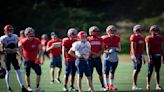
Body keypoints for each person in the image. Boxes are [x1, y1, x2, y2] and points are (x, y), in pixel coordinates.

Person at [0, 24, 28, 92]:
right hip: (7, 56)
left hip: (13, 56)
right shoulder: (3, 38)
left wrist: (17, 50)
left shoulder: (15, 36)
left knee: (18, 71)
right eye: (9, 30)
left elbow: (17, 46)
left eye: (11, 30)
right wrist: (9, 50)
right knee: (8, 72)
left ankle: (22, 87)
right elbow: (1, 49)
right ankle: (9, 87)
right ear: (5, 31)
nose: (10, 32)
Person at [19, 27, 43, 92]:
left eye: (33, 35)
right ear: (26, 35)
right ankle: (29, 87)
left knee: (39, 73)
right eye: (30, 35)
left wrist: (39, 57)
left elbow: (41, 49)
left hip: (35, 60)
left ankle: (37, 87)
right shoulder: (24, 41)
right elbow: (19, 49)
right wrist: (23, 57)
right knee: (27, 74)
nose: (32, 36)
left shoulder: (37, 40)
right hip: (27, 60)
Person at [102, 25, 121, 90]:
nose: (112, 32)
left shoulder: (117, 38)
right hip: (107, 57)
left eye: (114, 30)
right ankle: (106, 85)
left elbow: (119, 48)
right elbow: (102, 50)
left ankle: (111, 85)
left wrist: (117, 49)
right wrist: (107, 51)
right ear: (107, 31)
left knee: (112, 72)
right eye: (111, 31)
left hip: (114, 57)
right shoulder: (104, 38)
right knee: (106, 72)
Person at [87, 26, 106, 91]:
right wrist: (95, 54)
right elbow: (87, 49)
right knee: (90, 74)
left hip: (98, 59)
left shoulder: (101, 39)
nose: (96, 32)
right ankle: (90, 87)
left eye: (97, 31)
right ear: (91, 32)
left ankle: (103, 86)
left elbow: (102, 49)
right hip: (90, 59)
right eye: (94, 31)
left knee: (100, 73)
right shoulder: (88, 39)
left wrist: (98, 54)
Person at [145, 25, 164, 90]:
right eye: (154, 30)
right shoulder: (148, 38)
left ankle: (157, 85)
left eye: (156, 30)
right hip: (152, 56)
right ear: (151, 31)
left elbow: (162, 48)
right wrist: (149, 56)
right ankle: (148, 84)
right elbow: (147, 48)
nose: (155, 31)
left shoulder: (160, 38)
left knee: (157, 71)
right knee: (150, 71)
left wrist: (163, 57)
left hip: (158, 56)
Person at [130, 25, 145, 90]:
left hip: (139, 55)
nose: (139, 31)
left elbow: (141, 48)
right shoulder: (134, 36)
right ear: (134, 30)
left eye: (140, 30)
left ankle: (135, 85)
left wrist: (143, 56)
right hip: (135, 55)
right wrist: (135, 57)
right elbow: (133, 47)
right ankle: (134, 85)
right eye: (137, 30)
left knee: (138, 70)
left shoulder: (141, 37)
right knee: (135, 70)